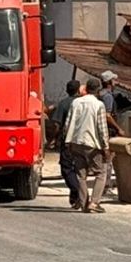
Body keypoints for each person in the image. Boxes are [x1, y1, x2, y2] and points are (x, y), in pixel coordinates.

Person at [62, 77, 110, 213]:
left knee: (80, 174)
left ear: (86, 89)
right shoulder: (98, 105)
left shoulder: (76, 102)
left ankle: (84, 203)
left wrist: (67, 141)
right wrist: (106, 147)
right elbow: (102, 128)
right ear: (98, 90)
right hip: (92, 144)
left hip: (75, 142)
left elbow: (67, 123)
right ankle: (94, 203)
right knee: (101, 172)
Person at [51, 78, 84, 209]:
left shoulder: (64, 104)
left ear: (66, 90)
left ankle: (78, 192)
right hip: (83, 140)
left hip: (68, 141)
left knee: (66, 169)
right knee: (78, 169)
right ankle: (75, 198)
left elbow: (56, 124)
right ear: (79, 90)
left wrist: (53, 138)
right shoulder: (83, 103)